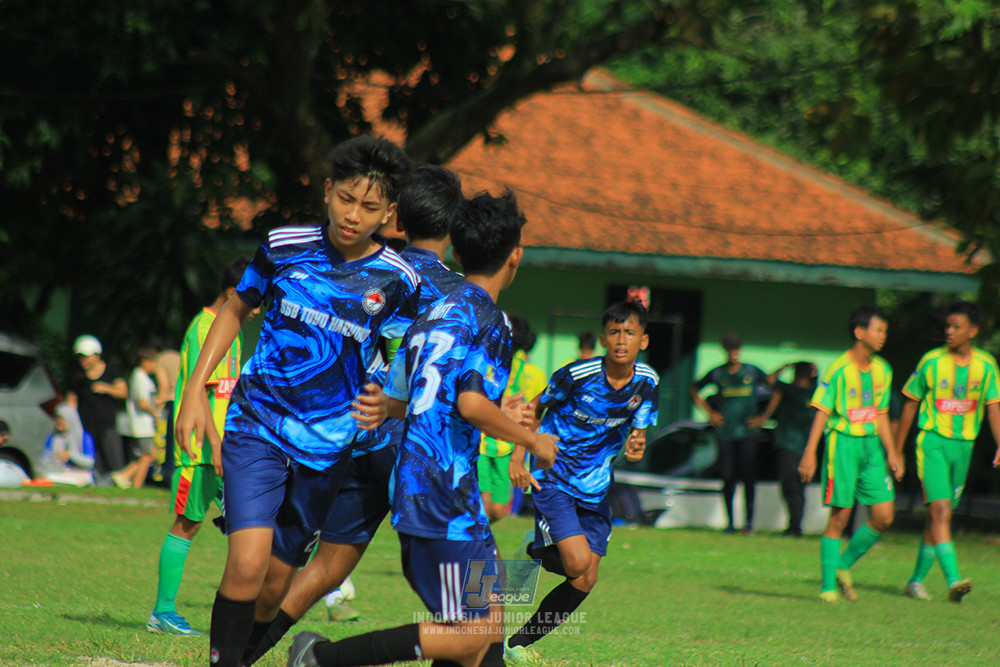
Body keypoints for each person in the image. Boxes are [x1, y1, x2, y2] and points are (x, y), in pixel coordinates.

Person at [285, 189, 559, 667]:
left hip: (435, 492)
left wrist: (389, 409)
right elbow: (472, 404)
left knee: (487, 627)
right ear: (516, 256)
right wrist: (531, 438)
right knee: (471, 636)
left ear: (458, 248)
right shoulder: (492, 321)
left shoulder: (437, 310)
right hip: (442, 498)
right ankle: (322, 659)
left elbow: (421, 397)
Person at [173, 136, 419, 667]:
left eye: (370, 207)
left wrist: (392, 403)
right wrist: (195, 391)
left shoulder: (399, 281)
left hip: (328, 448)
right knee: (246, 562)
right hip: (256, 425)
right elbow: (235, 309)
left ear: (390, 214)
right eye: (346, 199)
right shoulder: (285, 245)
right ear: (327, 191)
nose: (353, 215)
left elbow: (407, 356)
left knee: (275, 584)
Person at [241, 164, 468, 664]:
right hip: (409, 443)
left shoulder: (373, 265)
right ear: (452, 228)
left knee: (328, 567)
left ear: (397, 219)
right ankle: (483, 646)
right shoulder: (457, 294)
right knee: (464, 570)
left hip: (353, 436)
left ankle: (245, 655)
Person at [502, 299, 658, 664]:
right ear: (603, 338)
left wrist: (637, 444)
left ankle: (517, 645)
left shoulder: (647, 382)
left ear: (644, 341)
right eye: (615, 332)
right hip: (552, 476)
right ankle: (536, 548)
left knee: (585, 578)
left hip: (596, 487)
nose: (622, 339)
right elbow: (533, 408)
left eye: (630, 333)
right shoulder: (576, 374)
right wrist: (518, 456)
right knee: (575, 563)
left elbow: (639, 430)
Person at [147, 257, 251, 636]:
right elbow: (201, 395)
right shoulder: (204, 329)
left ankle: (250, 615)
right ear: (231, 294)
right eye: (253, 300)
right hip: (199, 454)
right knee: (187, 524)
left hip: (224, 451)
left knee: (252, 526)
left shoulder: (232, 330)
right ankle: (162, 612)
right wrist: (216, 445)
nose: (257, 310)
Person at [896, 301, 1000, 603]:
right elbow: (910, 402)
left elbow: (993, 408)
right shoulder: (931, 361)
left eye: (956, 327)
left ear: (973, 330)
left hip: (963, 446)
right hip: (933, 442)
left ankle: (915, 581)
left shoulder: (986, 365)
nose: (949, 332)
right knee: (940, 511)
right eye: (947, 326)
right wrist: (899, 450)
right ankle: (954, 579)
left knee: (939, 516)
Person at [798, 306, 903, 604]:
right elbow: (822, 411)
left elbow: (881, 413)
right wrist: (810, 452)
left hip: (871, 448)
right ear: (860, 333)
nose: (883, 336)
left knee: (884, 516)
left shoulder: (883, 369)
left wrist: (893, 452)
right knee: (840, 517)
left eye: (884, 330)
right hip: (842, 444)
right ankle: (827, 586)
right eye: (878, 330)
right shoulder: (839, 368)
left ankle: (843, 565)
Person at [689, 332, 770, 533]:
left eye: (737, 350)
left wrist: (764, 416)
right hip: (725, 433)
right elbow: (694, 389)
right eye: (730, 350)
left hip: (748, 432)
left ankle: (749, 522)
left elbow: (776, 389)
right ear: (725, 351)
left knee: (748, 475)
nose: (734, 354)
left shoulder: (751, 371)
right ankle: (730, 523)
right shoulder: (718, 374)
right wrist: (710, 413)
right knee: (727, 476)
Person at [479, 313, 548, 522]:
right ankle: (476, 544)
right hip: (481, 441)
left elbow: (534, 409)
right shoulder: (486, 363)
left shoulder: (526, 370)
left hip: (505, 445)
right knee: (483, 504)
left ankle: (478, 538)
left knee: (498, 510)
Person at [763, 361, 818, 536]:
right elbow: (769, 379)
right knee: (791, 486)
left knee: (794, 486)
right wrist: (788, 365)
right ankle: (794, 525)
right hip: (790, 445)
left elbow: (770, 378)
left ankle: (794, 526)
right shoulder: (789, 390)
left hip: (802, 447)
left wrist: (785, 366)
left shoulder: (814, 394)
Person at [67, 334, 128, 480]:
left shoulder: (111, 372)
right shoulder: (77, 376)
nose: (84, 361)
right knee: (94, 463)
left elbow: (123, 392)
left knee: (115, 463)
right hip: (87, 428)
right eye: (81, 357)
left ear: (96, 355)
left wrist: (107, 389)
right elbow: (72, 399)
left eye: (86, 357)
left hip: (108, 426)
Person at [113, 346, 163, 490]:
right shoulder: (140, 376)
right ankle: (132, 482)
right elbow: (142, 402)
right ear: (146, 361)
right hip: (142, 424)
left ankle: (125, 476)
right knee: (147, 456)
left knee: (149, 455)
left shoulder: (141, 376)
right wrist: (155, 413)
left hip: (144, 424)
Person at [40, 402, 96, 486]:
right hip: (58, 472)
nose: (59, 422)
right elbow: (44, 457)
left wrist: (70, 455)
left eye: (62, 419)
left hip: (79, 473)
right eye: (57, 418)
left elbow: (89, 462)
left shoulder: (84, 437)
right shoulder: (53, 437)